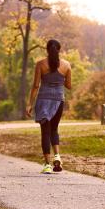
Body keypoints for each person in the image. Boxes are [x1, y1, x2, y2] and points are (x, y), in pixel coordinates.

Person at [27, 39, 71, 174]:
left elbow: (35, 86)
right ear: (59, 49)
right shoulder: (66, 65)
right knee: (54, 129)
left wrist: (30, 104)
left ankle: (47, 164)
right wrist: (59, 79)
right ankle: (57, 156)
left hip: (43, 101)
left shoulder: (40, 64)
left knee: (45, 132)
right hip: (59, 100)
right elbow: (69, 86)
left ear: (47, 50)